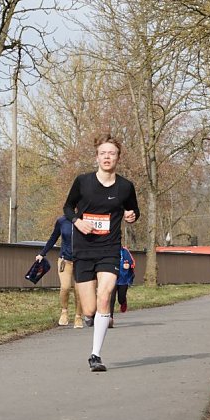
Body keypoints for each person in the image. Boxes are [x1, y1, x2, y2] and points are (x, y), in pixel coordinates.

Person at [63, 133, 140, 372]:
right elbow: (67, 207)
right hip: (84, 248)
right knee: (89, 309)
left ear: (118, 158)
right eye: (103, 153)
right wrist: (77, 221)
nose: (107, 157)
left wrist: (131, 216)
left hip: (109, 248)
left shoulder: (125, 186)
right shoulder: (83, 182)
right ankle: (92, 318)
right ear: (97, 157)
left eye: (112, 153)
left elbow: (134, 211)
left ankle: (95, 355)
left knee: (105, 296)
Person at [35, 215, 83, 328]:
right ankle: (64, 312)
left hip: (81, 261)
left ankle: (78, 317)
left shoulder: (85, 220)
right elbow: (53, 237)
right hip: (64, 260)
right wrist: (42, 253)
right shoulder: (62, 221)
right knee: (65, 287)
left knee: (79, 289)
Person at [107, 246, 136, 328]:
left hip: (123, 278)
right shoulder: (108, 250)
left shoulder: (125, 251)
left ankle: (123, 301)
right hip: (112, 277)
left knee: (121, 298)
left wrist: (129, 265)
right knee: (111, 298)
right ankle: (110, 318)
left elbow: (132, 262)